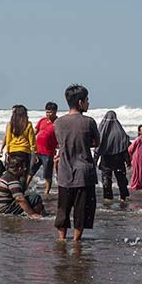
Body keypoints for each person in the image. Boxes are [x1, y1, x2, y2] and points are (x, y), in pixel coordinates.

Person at [54, 84, 100, 242]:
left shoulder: (58, 123)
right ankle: (76, 241)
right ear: (80, 102)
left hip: (64, 171)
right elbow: (97, 142)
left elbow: (60, 143)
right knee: (82, 211)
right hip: (84, 172)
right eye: (87, 100)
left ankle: (61, 239)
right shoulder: (89, 122)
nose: (88, 103)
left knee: (63, 209)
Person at [97, 110, 130, 201]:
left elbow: (98, 148)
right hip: (118, 160)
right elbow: (124, 147)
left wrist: (94, 161)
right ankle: (123, 197)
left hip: (106, 160)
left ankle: (108, 198)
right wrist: (128, 161)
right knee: (121, 180)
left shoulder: (102, 131)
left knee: (106, 180)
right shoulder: (120, 132)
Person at [1, 104, 36, 184]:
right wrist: (35, 152)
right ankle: (21, 189)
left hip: (12, 151)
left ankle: (12, 188)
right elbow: (32, 140)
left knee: (12, 172)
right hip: (24, 152)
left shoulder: (10, 124)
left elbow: (8, 139)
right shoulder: (28, 124)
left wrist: (8, 151)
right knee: (23, 172)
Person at [31, 102, 58, 194]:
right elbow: (34, 132)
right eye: (47, 112)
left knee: (47, 174)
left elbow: (61, 137)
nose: (48, 114)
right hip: (37, 151)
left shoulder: (58, 123)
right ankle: (24, 188)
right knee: (31, 171)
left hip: (48, 153)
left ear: (55, 111)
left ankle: (47, 191)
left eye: (50, 112)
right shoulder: (42, 120)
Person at [128, 125, 142, 191]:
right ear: (139, 132)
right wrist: (131, 158)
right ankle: (133, 187)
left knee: (141, 174)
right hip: (136, 160)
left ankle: (140, 187)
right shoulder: (138, 140)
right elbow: (130, 149)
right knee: (136, 174)